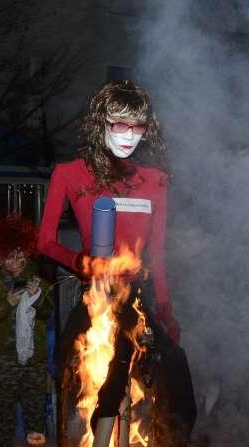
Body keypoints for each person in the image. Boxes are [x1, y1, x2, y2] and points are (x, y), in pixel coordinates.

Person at [38, 79, 178, 343]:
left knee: (171, 371)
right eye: (120, 124)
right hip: (94, 295)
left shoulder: (155, 180)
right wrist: (80, 262)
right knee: (80, 371)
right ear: (100, 122)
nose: (130, 136)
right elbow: (45, 242)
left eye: (138, 127)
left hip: (137, 300)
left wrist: (165, 309)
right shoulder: (68, 174)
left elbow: (157, 254)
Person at [0, 216, 53, 447]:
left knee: (35, 411)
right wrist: (7, 303)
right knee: (5, 413)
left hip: (33, 359)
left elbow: (48, 312)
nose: (17, 260)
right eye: (10, 255)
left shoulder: (38, 279)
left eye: (21, 254)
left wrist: (38, 297)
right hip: (5, 358)